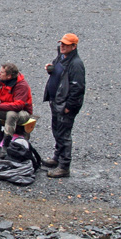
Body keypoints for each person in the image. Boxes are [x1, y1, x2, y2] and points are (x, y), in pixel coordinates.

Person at [42, 33, 85, 179]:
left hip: (64, 105)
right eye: (62, 43)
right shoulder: (62, 57)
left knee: (64, 135)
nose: (62, 46)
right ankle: (57, 158)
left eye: (66, 45)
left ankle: (64, 166)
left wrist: (70, 107)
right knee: (56, 131)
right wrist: (51, 69)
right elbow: (58, 71)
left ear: (74, 46)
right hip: (56, 101)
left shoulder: (76, 64)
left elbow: (78, 88)